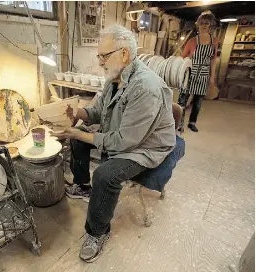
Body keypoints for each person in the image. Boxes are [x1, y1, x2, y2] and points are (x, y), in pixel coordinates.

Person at [50, 24, 176, 263]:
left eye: (104, 56)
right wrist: (77, 113)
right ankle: (82, 186)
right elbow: (98, 112)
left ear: (125, 53)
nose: (100, 62)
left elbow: (123, 142)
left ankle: (97, 232)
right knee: (79, 134)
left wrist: (78, 134)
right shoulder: (114, 79)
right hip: (127, 136)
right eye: (99, 56)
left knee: (106, 175)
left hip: (146, 146)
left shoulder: (145, 87)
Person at [178, 10, 219, 132]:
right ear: (198, 25)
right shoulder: (192, 41)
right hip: (190, 72)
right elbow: (182, 58)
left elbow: (213, 59)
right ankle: (179, 123)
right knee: (183, 100)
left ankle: (192, 122)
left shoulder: (214, 41)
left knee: (198, 101)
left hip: (204, 73)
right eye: (202, 23)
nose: (204, 25)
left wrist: (212, 77)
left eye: (207, 23)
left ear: (210, 25)